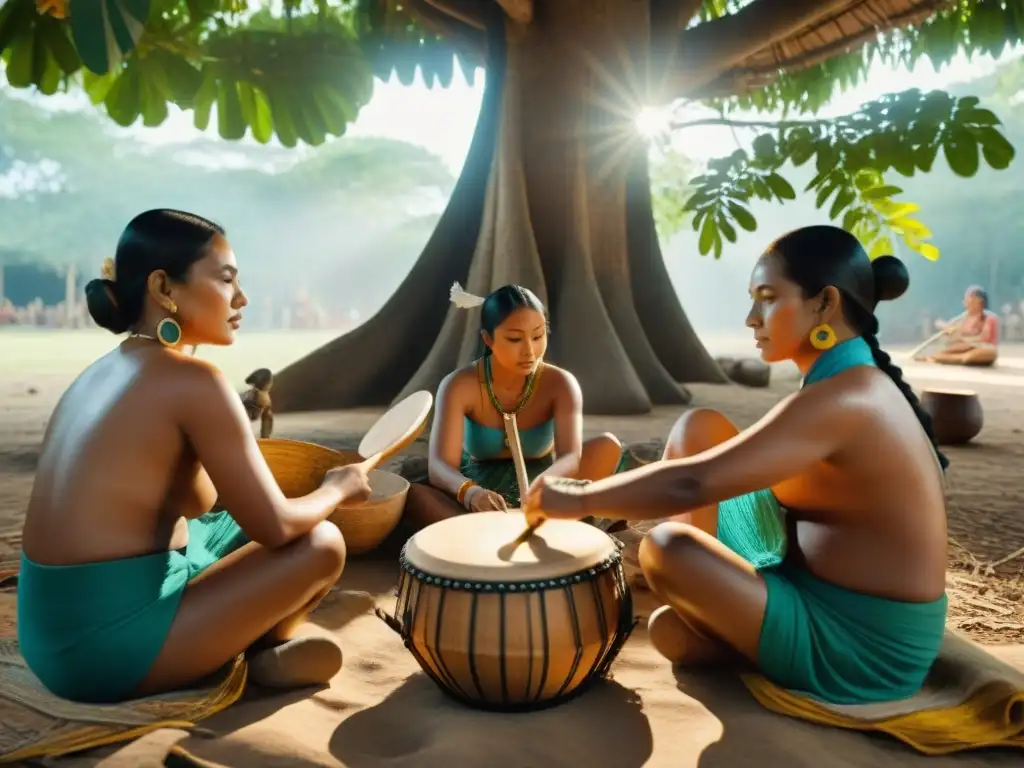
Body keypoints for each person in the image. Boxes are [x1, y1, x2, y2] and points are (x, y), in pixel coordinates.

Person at [524, 225, 950, 706]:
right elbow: (722, 466)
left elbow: (692, 484)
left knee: (668, 548)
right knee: (697, 428)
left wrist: (579, 497)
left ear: (824, 305)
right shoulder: (844, 378)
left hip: (861, 645)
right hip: (807, 580)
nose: (751, 318)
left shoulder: (849, 397)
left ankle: (704, 608)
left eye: (767, 298)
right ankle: (708, 613)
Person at [17, 209, 372, 704]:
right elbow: (273, 527)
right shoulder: (194, 382)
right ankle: (260, 648)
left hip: (44, 629)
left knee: (240, 522)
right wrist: (336, 488)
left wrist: (226, 422)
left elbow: (195, 501)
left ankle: (233, 641)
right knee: (322, 541)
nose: (241, 298)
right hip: (99, 650)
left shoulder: (101, 370)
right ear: (164, 288)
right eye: (226, 279)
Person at [403, 283, 627, 531]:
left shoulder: (561, 384)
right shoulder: (458, 385)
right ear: (488, 339)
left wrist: (544, 484)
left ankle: (508, 531)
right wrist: (471, 493)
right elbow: (439, 466)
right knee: (416, 496)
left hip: (544, 487)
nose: (529, 351)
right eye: (514, 339)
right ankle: (491, 532)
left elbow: (571, 457)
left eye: (538, 336)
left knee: (608, 447)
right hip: (477, 493)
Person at [924, 285, 999, 366]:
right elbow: (950, 328)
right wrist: (945, 327)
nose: (965, 300)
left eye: (969, 297)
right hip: (963, 348)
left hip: (981, 350)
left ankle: (948, 358)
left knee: (988, 351)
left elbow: (983, 338)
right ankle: (946, 357)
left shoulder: (990, 317)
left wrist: (962, 339)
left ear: (979, 300)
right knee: (950, 348)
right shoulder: (963, 318)